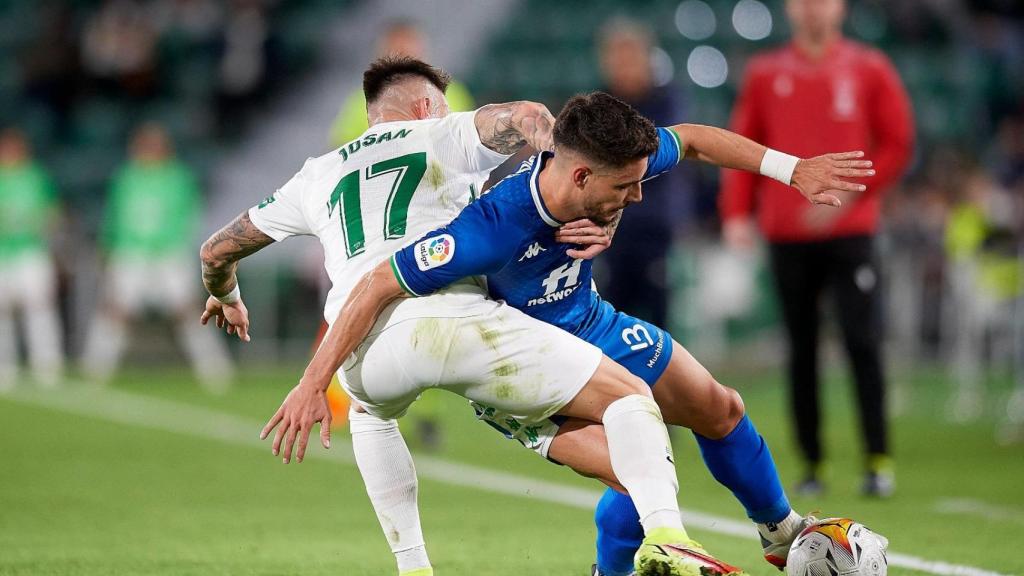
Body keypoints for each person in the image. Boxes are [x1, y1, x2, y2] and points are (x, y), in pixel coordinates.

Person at [199, 57, 742, 576]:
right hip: (456, 319)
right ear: (424, 107)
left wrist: (228, 296)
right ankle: (669, 537)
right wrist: (575, 171)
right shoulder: (440, 132)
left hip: (362, 344)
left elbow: (215, 253)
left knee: (370, 413)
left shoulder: (315, 174)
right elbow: (527, 116)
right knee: (628, 399)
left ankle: (413, 564)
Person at [720, 0, 914, 497]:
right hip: (788, 234)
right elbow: (744, 143)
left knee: (862, 342)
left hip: (852, 233)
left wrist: (853, 195)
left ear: (841, 8)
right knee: (801, 350)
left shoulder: (869, 66)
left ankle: (878, 458)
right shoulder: (766, 73)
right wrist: (736, 213)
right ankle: (812, 464)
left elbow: (897, 141)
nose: (812, 9)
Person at [83, 123, 233, 389]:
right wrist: (108, 247)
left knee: (188, 311)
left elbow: (187, 217)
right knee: (115, 310)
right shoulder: (126, 177)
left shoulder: (178, 177)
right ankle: (95, 371)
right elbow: (114, 217)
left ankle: (215, 372)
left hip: (168, 252)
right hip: (130, 251)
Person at [595, 17, 691, 330]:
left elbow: (655, 153)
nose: (623, 65)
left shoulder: (667, 101)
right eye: (616, 57)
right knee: (611, 319)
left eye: (630, 56)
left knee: (658, 320)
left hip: (654, 228)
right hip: (611, 229)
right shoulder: (598, 102)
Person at [328, 19, 474, 149]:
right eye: (397, 52)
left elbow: (470, 147)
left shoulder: (452, 93)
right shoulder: (360, 101)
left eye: (409, 52)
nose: (404, 61)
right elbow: (339, 156)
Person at [0, 128, 64, 388]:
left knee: (39, 308)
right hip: (3, 253)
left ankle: (47, 367)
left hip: (32, 252)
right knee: (2, 313)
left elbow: (52, 213)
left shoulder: (36, 177)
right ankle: (5, 367)